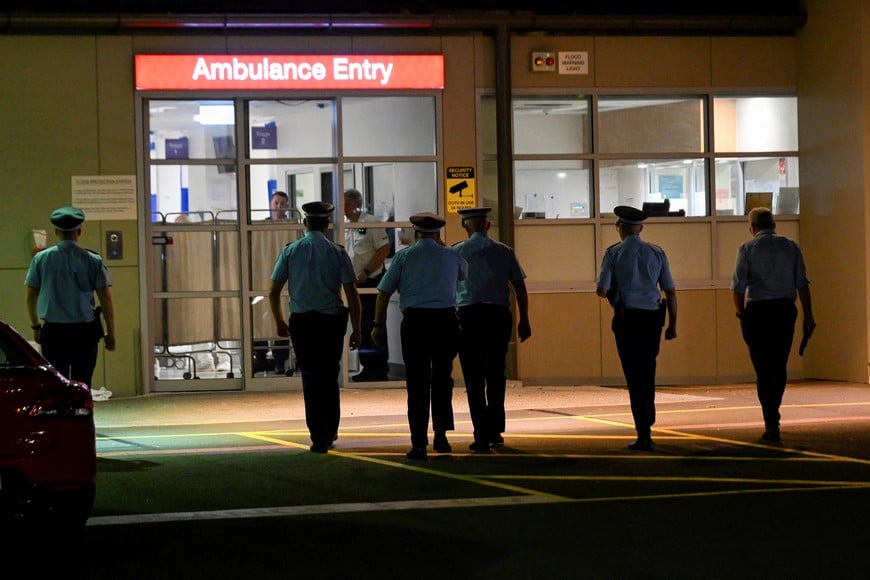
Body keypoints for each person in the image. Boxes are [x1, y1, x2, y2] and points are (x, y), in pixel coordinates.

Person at [372, 213, 467, 460]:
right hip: (445, 321)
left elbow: (383, 292)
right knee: (442, 379)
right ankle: (442, 437)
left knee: (417, 382)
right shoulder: (452, 255)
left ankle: (418, 443)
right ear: (438, 234)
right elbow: (462, 276)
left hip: (415, 323)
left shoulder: (404, 257)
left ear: (415, 233)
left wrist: (377, 325)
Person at [268, 201, 362, 454]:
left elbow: (273, 291)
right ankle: (330, 430)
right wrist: (358, 328)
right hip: (330, 323)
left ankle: (317, 436)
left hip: (302, 324)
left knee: (310, 378)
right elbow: (352, 294)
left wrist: (278, 320)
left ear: (304, 223)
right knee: (329, 377)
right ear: (328, 224)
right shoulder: (338, 252)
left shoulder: (290, 251)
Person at [596, 206, 677, 452]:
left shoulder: (613, 254)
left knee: (633, 374)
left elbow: (601, 289)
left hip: (627, 320)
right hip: (652, 320)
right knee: (648, 369)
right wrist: (673, 324)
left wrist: (615, 292)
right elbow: (670, 291)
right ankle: (648, 419)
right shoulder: (657, 252)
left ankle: (643, 429)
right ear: (640, 228)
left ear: (619, 227)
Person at [731, 206, 815, 442]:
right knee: (779, 365)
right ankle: (774, 413)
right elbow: (802, 284)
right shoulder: (791, 246)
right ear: (774, 224)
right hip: (785, 311)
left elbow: (737, 288)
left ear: (752, 227)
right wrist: (808, 315)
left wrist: (742, 316)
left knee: (762, 368)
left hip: (757, 312)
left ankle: (770, 420)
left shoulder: (747, 248)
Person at [453, 207, 532, 452]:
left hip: (468, 316)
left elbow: (448, 286)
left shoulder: (456, 252)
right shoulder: (504, 251)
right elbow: (519, 286)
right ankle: (496, 430)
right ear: (488, 226)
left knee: (474, 377)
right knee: (496, 374)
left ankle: (480, 434)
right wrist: (525, 319)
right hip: (498, 316)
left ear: (465, 226)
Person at [25, 206, 116, 388]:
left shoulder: (41, 259)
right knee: (83, 384)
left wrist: (36, 326)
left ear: (56, 231)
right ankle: (81, 415)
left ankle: (61, 416)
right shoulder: (93, 260)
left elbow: (30, 298)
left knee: (57, 385)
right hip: (85, 333)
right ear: (79, 231)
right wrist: (110, 332)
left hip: (54, 333)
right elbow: (105, 300)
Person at [343, 188, 391, 382]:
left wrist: (367, 272)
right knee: (360, 324)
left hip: (371, 281)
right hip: (355, 284)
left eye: (346, 204)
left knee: (374, 323)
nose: (344, 208)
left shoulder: (370, 223)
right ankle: (367, 367)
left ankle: (380, 368)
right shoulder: (345, 226)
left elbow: (384, 248)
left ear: (356, 204)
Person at [255, 190, 293, 374]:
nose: (278, 207)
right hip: (262, 280)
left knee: (282, 317)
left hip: (284, 282)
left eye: (282, 203)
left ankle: (280, 361)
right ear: (270, 205)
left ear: (287, 206)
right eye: (275, 203)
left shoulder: (292, 229)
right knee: (259, 321)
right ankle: (260, 358)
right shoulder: (259, 228)